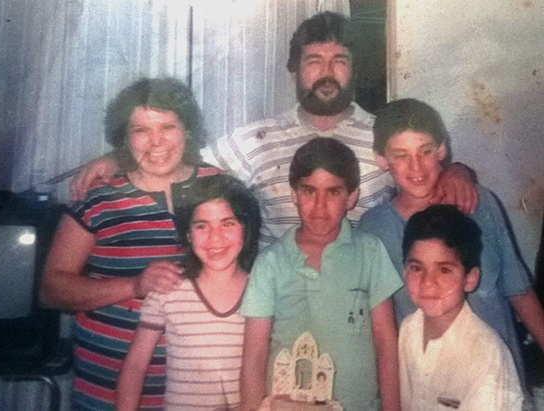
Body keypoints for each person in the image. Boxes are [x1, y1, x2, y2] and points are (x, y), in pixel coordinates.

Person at [70, 12, 478, 248]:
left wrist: (459, 171)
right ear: (294, 69)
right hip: (278, 305)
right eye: (314, 60)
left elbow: (423, 173)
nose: (327, 72)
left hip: (362, 306)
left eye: (339, 60)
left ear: (354, 70)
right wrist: (118, 157)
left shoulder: (383, 136)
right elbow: (177, 159)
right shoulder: (256, 139)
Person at [39, 77, 222, 411]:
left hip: (200, 394)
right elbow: (51, 290)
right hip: (106, 393)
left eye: (168, 126)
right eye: (141, 130)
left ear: (186, 130)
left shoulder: (219, 187)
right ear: (125, 137)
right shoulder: (98, 197)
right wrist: (134, 285)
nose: (156, 141)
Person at [358, 98, 544, 391]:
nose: (416, 167)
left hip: (500, 383)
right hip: (430, 390)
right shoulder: (374, 229)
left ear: (442, 150)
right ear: (381, 159)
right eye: (401, 155)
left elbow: (518, 290)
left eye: (425, 151)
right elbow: (382, 334)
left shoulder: (479, 202)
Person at [239, 137, 403, 411]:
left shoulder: (370, 252)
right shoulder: (270, 262)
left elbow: (386, 343)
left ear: (351, 197)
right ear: (294, 194)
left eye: (333, 192)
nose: (319, 205)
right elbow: (254, 355)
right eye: (309, 191)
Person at [116, 174, 261, 411]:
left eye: (228, 224)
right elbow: (135, 366)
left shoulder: (261, 289)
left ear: (246, 229)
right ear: (188, 234)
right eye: (202, 226)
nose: (215, 238)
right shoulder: (168, 288)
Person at [399, 205, 524, 410]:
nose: (427, 282)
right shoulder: (407, 329)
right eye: (417, 268)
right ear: (404, 271)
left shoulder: (486, 354)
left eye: (444, 270)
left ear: (470, 279)